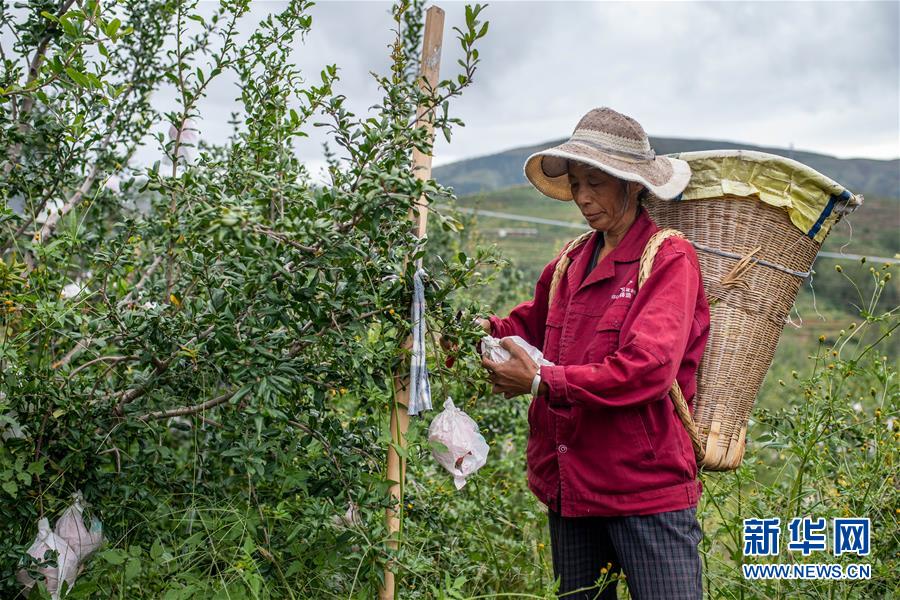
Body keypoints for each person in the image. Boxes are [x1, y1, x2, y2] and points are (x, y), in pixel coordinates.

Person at [477, 107, 711, 599]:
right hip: (572, 485)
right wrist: (476, 332)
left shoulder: (668, 258)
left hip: (644, 491)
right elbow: (528, 329)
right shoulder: (570, 261)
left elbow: (647, 369)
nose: (583, 197)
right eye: (577, 184)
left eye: (596, 184)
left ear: (633, 185)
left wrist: (541, 381)